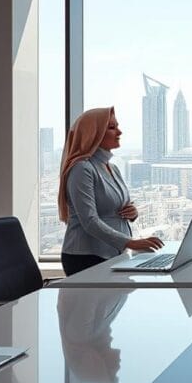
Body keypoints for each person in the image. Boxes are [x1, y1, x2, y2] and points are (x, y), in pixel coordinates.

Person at [58, 107, 164, 276]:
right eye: (112, 128)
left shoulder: (112, 168)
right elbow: (90, 221)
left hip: (112, 254)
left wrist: (132, 212)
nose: (119, 132)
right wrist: (131, 243)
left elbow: (119, 205)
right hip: (87, 257)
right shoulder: (82, 169)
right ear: (94, 133)